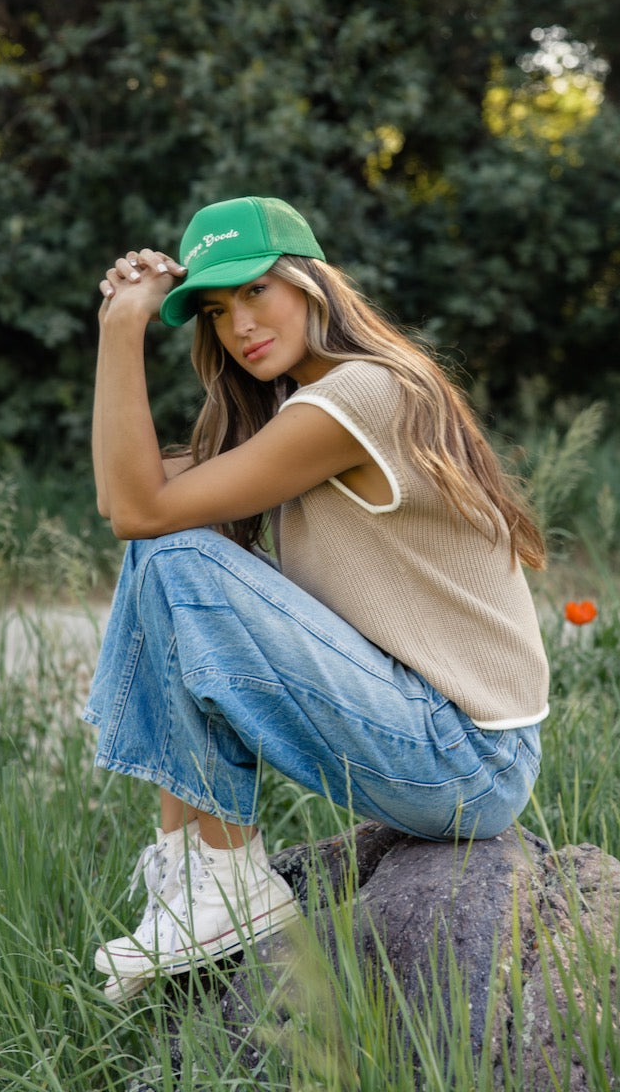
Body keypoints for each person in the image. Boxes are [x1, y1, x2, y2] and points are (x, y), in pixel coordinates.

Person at [86, 195, 549, 1002]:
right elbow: (131, 500)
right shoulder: (300, 408)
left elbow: (138, 508)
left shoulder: (364, 393)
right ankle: (193, 872)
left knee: (179, 550)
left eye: (257, 291)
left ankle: (223, 876)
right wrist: (116, 326)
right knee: (167, 552)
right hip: (421, 738)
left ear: (311, 283)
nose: (240, 326)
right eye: (218, 310)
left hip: (466, 758)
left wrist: (125, 329)